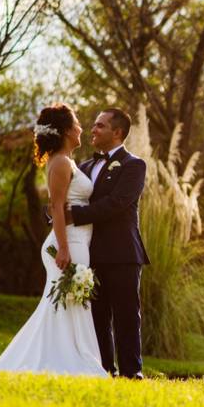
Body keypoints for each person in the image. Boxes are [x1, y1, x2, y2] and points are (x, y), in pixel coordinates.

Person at [0, 103, 108, 377]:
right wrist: (64, 248)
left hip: (76, 241)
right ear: (67, 131)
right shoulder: (61, 163)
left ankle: (71, 357)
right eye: (77, 123)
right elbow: (56, 207)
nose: (81, 128)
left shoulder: (67, 161)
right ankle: (70, 361)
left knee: (64, 304)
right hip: (68, 244)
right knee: (67, 303)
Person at [65, 108, 150, 379]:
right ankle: (102, 370)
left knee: (126, 315)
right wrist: (56, 214)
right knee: (96, 317)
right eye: (94, 124)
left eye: (100, 126)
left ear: (117, 133)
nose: (93, 129)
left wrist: (73, 216)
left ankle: (131, 372)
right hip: (89, 253)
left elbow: (116, 204)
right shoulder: (85, 167)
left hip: (123, 253)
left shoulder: (134, 165)